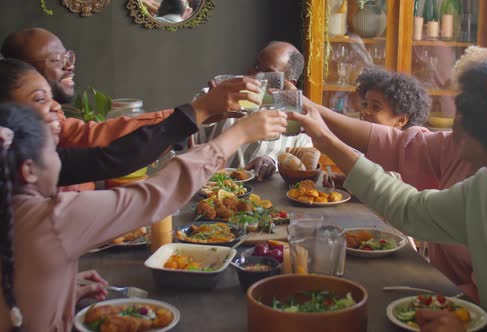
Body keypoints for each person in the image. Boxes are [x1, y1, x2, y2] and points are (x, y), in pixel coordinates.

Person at [292, 59, 487, 330]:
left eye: (466, 110)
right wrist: (327, 142)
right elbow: (408, 209)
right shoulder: (485, 190)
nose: (453, 119)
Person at [0, 103, 286, 331]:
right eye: (54, 151)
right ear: (28, 170)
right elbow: (153, 195)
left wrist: (56, 293)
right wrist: (238, 135)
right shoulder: (52, 219)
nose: (62, 160)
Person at [309, 47, 487, 302]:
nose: (454, 116)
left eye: (467, 107)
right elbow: (393, 143)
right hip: (439, 288)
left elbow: (408, 209)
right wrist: (312, 110)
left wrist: (326, 141)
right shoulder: (460, 149)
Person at [0, 28, 263, 150]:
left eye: (69, 56)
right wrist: (199, 114)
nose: (70, 66)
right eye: (57, 60)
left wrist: (199, 114)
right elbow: (105, 149)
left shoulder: (57, 119)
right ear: (20, 71)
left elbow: (104, 137)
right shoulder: (18, 145)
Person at [197, 41, 311, 180]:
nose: (256, 75)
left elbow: (303, 170)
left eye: (268, 73)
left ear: (289, 83)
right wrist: (206, 109)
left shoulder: (298, 121)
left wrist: (272, 162)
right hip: (210, 192)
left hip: (263, 199)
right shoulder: (221, 95)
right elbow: (183, 141)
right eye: (256, 66)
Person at [357, 67, 430, 129]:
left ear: (401, 120)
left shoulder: (401, 146)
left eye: (376, 107)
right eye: (365, 105)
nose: (365, 111)